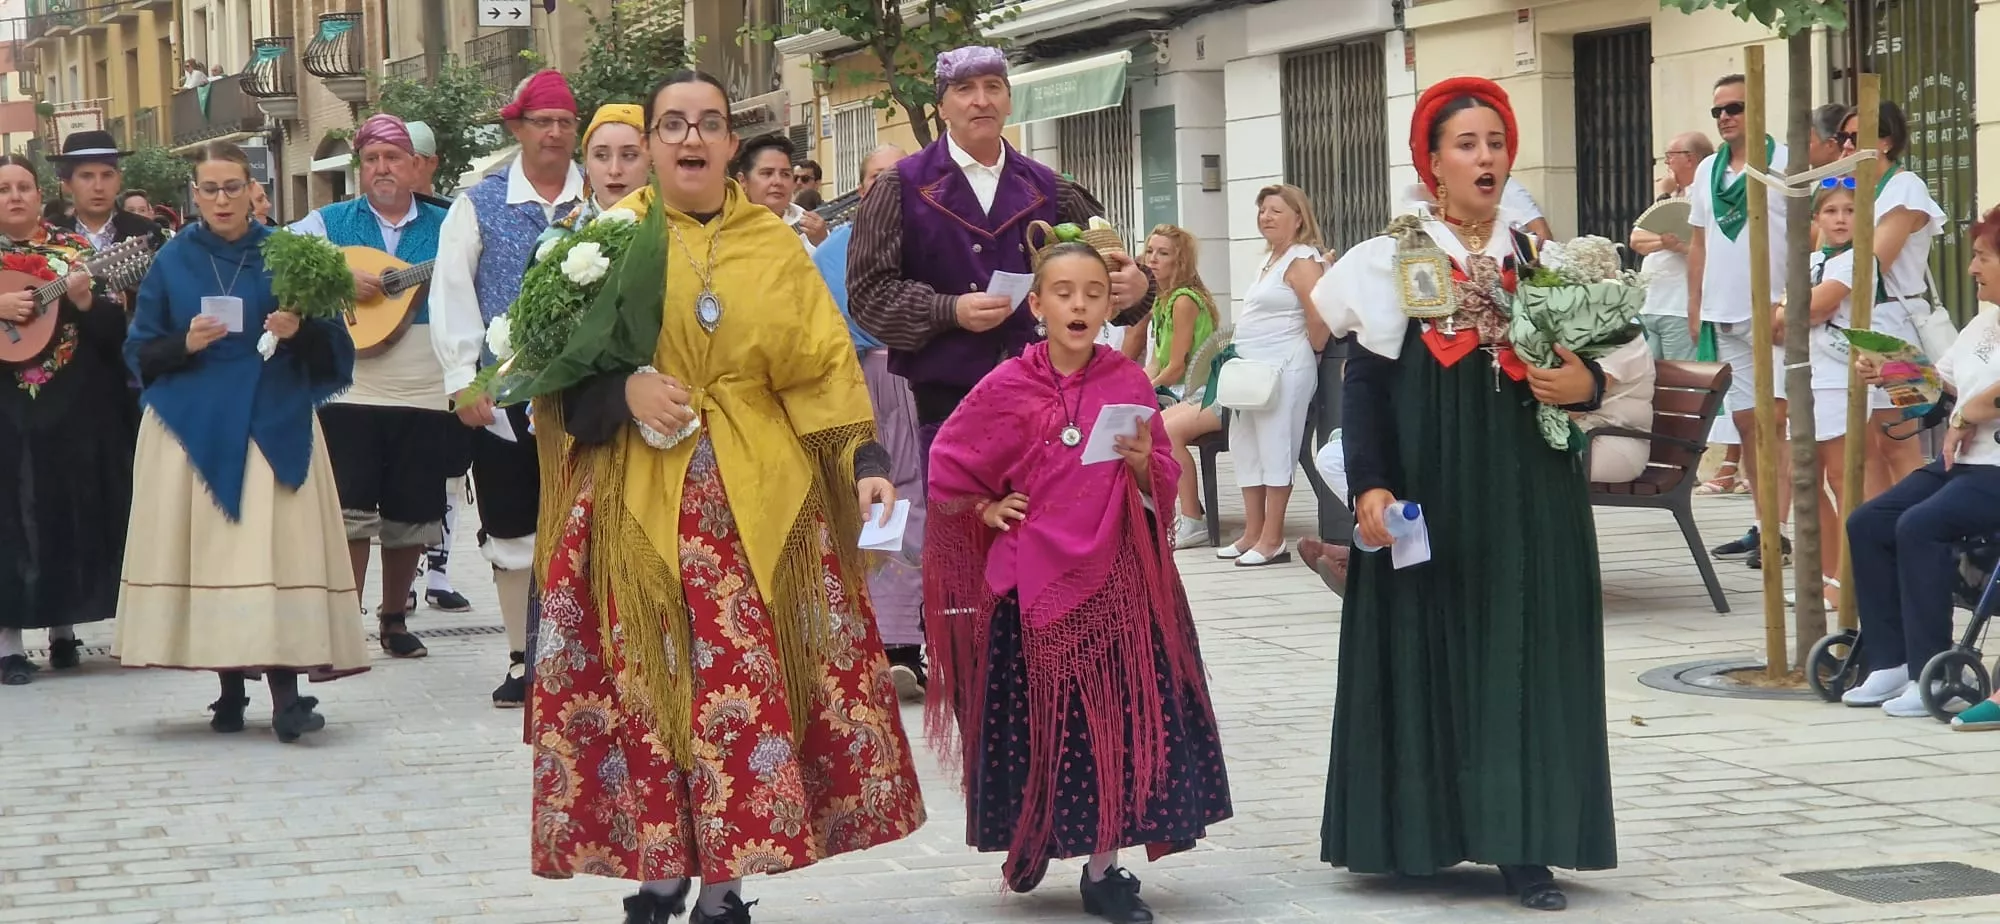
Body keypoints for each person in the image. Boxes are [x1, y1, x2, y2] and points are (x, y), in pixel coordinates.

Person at [526, 70, 924, 924]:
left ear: (732, 144)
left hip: (754, 505)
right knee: (645, 684)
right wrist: (625, 391)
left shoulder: (775, 245)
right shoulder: (604, 243)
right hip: (633, 500)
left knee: (736, 691)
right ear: (653, 142)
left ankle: (724, 883)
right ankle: (659, 866)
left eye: (709, 123)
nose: (691, 139)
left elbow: (822, 368)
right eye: (673, 124)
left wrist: (865, 459)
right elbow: (556, 383)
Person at [1313, 77, 1616, 911]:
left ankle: (1527, 843)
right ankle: (1423, 831)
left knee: (1526, 649)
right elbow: (1365, 383)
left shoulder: (1539, 258)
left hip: (1531, 486)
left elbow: (1595, 370)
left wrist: (1583, 383)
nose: (1486, 157)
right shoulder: (1393, 258)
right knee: (1430, 639)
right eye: (1466, 145)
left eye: (1495, 142)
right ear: (1432, 163)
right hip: (1432, 480)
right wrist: (1370, 485)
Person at [924, 240, 1230, 922]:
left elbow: (1164, 475)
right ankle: (1031, 832)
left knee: (1114, 728)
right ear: (1037, 304)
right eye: (1063, 292)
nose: (1080, 304)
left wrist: (1147, 465)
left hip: (1117, 578)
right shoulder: (1006, 386)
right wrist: (985, 506)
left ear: (1108, 303)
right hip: (1031, 580)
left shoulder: (1127, 380)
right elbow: (950, 459)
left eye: (1094, 292)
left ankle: (1103, 868)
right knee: (1034, 728)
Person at [113, 141, 365, 741]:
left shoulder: (292, 255)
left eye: (233, 187)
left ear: (255, 192)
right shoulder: (173, 261)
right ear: (194, 195)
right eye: (210, 189)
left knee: (273, 558)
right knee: (213, 559)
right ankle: (229, 691)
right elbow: (138, 350)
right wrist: (186, 345)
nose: (222, 199)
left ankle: (286, 697)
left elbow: (335, 349)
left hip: (272, 417)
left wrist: (298, 329)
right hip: (192, 423)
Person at [847, 44, 1154, 458]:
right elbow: (868, 296)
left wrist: (1136, 286)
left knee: (1048, 520)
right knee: (965, 519)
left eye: (993, 86)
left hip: (1050, 395)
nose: (981, 100)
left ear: (1008, 100)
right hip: (949, 402)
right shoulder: (900, 187)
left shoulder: (1050, 187)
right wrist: (949, 309)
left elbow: (1109, 267)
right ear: (942, 106)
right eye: (964, 88)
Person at [430, 68, 587, 707]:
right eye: (541, 122)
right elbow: (451, 295)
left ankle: (587, 654)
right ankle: (525, 657)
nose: (553, 133)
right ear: (518, 129)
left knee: (589, 523)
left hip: (587, 393)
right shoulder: (480, 203)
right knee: (515, 526)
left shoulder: (605, 200)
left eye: (564, 122)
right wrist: (463, 382)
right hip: (507, 394)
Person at [287, 114, 458, 659]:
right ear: (360, 169)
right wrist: (337, 274)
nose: (382, 168)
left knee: (412, 508)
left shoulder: (451, 223)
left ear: (415, 165)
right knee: (352, 507)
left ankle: (394, 620)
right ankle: (346, 621)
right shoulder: (328, 222)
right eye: (371, 159)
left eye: (393, 158)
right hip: (351, 381)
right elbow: (277, 259)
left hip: (424, 377)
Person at [1844, 202, 2000, 721]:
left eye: (1981, 257)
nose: (1972, 268)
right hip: (1966, 464)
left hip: (1996, 470)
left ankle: (1935, 670)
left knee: (1920, 526)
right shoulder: (1983, 323)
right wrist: (1895, 373)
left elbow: (1978, 405)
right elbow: (1946, 392)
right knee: (1869, 522)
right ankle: (1889, 661)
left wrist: (1971, 413)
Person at [0, 156, 133, 686]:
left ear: (41, 194)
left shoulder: (76, 254)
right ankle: (8, 642)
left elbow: (112, 335)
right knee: (9, 520)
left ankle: (63, 629)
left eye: (24, 187)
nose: (15, 196)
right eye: (3, 188)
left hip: (71, 404)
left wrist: (86, 304)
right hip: (4, 409)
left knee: (65, 510)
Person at [812, 142, 928, 699]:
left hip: (923, 378)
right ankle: (894, 643)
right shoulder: (832, 252)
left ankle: (907, 639)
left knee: (921, 503)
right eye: (878, 178)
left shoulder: (930, 239)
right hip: (862, 383)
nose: (888, 187)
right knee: (888, 500)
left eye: (898, 177)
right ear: (861, 189)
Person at [1690, 72, 1792, 571]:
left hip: (1772, 310)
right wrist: (1695, 305)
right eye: (1718, 111)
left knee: (1776, 422)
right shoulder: (1707, 169)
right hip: (1725, 311)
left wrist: (1793, 299)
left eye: (1734, 108)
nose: (1726, 117)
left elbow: (1811, 232)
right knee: (1750, 425)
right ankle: (1763, 525)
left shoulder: (1785, 162)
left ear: (1757, 108)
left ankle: (1782, 530)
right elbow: (1699, 242)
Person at [1214, 184, 1328, 568]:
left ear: (1299, 218)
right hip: (1251, 370)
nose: (1266, 216)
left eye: (1276, 210)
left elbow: (1317, 315)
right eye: (1263, 210)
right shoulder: (1270, 260)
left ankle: (1273, 537)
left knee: (1277, 447)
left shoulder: (1301, 259)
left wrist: (1312, 349)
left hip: (1284, 368)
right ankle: (1253, 530)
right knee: (1246, 446)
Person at [1840, 102, 1945, 496]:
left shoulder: (1905, 187)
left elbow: (1872, 262)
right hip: (1852, 320)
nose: (1847, 147)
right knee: (1864, 445)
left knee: (1896, 439)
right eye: (1842, 138)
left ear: (1884, 140)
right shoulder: (1848, 187)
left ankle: (1914, 530)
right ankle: (1879, 536)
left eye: (1856, 137)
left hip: (1894, 322)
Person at [1773, 181, 1863, 612]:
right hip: (1805, 379)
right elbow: (1777, 323)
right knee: (1806, 478)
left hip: (1838, 378)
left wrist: (1795, 310)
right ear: (1816, 219)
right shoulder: (1810, 262)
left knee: (1842, 480)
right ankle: (1828, 573)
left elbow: (1810, 309)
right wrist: (1794, 310)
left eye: (1850, 210)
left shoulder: (1855, 262)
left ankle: (1847, 579)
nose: (1841, 219)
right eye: (1831, 211)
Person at [1142, 225, 1223, 547]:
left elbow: (1176, 368)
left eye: (1163, 253)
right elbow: (1156, 364)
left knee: (1162, 430)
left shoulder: (1183, 301)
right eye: (1150, 251)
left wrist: (1148, 389)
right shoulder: (1161, 301)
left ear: (1180, 261)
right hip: (1184, 392)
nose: (1153, 259)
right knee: (1142, 423)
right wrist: (1138, 385)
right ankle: (1167, 510)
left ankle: (1192, 519)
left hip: (1208, 392)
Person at [1629, 131, 1713, 361]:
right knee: (1648, 376)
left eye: (1670, 156)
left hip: (1677, 306)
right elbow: (1636, 239)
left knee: (1681, 378)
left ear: (1690, 158)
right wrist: (1663, 242)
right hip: (1650, 303)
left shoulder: (1704, 195)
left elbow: (1699, 244)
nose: (1666, 163)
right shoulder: (1668, 194)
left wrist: (1678, 245)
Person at [734, 133, 826, 249]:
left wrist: (824, 244)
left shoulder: (813, 230)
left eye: (785, 174)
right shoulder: (726, 231)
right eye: (767, 173)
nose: (778, 181)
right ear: (743, 181)